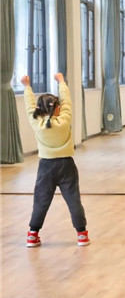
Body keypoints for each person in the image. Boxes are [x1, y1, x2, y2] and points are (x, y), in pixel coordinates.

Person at [21, 73, 90, 247]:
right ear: (57, 108)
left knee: (41, 200)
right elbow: (67, 102)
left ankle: (32, 235)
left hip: (46, 166)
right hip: (66, 165)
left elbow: (29, 106)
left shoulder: (37, 123)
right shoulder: (64, 120)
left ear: (40, 110)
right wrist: (61, 82)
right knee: (73, 199)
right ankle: (82, 235)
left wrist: (27, 87)